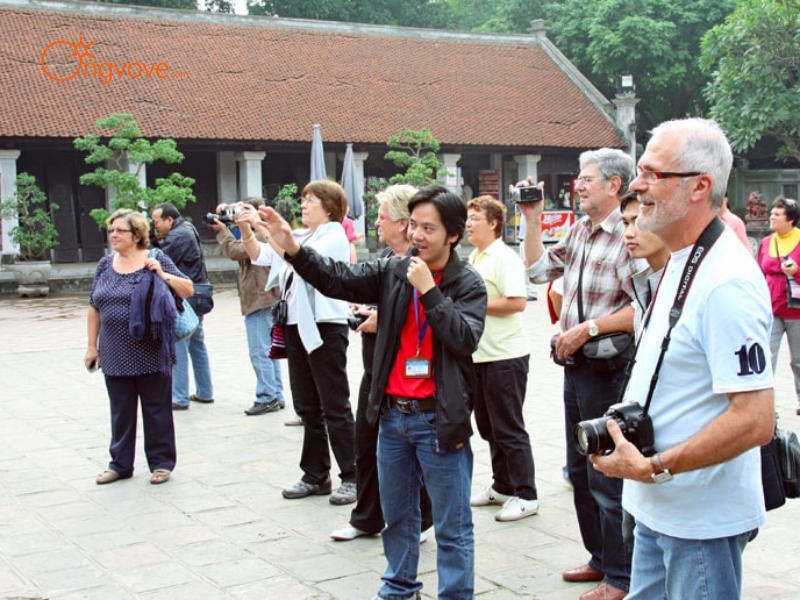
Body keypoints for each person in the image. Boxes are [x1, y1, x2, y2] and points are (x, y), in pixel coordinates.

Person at [255, 185, 487, 600]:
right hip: (392, 417)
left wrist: (430, 293)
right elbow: (337, 278)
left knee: (453, 525)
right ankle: (399, 588)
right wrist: (289, 243)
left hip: (438, 419)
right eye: (413, 225)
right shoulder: (394, 270)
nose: (416, 235)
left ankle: (455, 594)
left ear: (453, 234)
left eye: (427, 228)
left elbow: (464, 339)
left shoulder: (466, 283)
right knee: (398, 517)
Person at [593, 118, 775, 599]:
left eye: (654, 173)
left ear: (700, 187)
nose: (636, 184)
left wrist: (657, 467)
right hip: (659, 504)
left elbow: (755, 420)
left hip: (698, 518)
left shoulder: (727, 281)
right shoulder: (680, 257)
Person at [521, 148, 642, 600]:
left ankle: (622, 576)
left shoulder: (629, 237)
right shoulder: (579, 231)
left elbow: (642, 309)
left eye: (587, 178)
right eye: (578, 177)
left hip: (608, 367)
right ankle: (600, 558)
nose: (579, 184)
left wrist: (586, 329)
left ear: (614, 185)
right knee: (579, 465)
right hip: (575, 365)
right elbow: (536, 271)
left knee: (606, 469)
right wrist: (532, 219)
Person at [239, 180, 357, 506]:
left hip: (325, 326)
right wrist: (249, 231)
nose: (305, 206)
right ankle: (315, 474)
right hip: (294, 324)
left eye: (312, 201)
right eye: (303, 201)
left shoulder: (334, 235)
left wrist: (269, 233)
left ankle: (353, 474)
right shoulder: (303, 235)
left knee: (334, 403)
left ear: (331, 207)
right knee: (307, 405)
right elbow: (262, 257)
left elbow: (298, 259)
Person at [329, 184, 433, 542]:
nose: (375, 223)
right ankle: (367, 517)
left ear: (404, 223)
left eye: (382, 216)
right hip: (377, 372)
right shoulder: (386, 263)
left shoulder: (426, 265)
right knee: (366, 441)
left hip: (414, 376)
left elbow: (429, 316)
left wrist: (384, 317)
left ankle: (420, 519)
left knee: (416, 450)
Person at [87, 209, 193, 485]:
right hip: (113, 351)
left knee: (156, 408)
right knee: (120, 411)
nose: (113, 235)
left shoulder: (155, 259)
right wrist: (91, 346)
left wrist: (163, 275)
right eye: (111, 231)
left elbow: (188, 289)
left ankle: (161, 463)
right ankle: (120, 464)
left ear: (136, 235)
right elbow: (94, 306)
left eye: (119, 231)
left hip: (151, 350)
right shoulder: (105, 265)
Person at [466, 195, 539, 522]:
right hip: (479, 355)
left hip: (505, 356)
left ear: (493, 223)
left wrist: (472, 305)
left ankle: (526, 493)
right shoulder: (474, 255)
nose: (468, 224)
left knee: (508, 426)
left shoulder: (503, 257)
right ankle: (502, 484)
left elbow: (516, 302)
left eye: (475, 218)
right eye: (468, 217)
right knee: (488, 425)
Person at [208, 198, 285, 416]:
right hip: (265, 298)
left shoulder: (259, 235)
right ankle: (275, 394)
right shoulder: (258, 233)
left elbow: (235, 251)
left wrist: (223, 231)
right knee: (270, 351)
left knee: (260, 351)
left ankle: (267, 396)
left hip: (260, 299)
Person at [151, 202, 214, 410]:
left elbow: (161, 260)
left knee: (178, 342)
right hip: (198, 292)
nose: (155, 226)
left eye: (157, 221)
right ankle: (205, 392)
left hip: (185, 295)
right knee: (197, 342)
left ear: (169, 219)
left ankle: (179, 397)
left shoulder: (177, 236)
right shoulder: (188, 228)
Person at [758, 196, 800, 415]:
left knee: (798, 361)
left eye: (777, 215)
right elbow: (759, 271)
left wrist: (797, 271)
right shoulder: (766, 242)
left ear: (790, 219)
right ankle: (764, 405)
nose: (771, 217)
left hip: (796, 310)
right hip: (771, 307)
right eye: (772, 213)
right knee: (767, 356)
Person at [620, 192, 670, 335]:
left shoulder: (692, 282)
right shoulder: (644, 283)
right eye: (625, 223)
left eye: (638, 222)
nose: (629, 233)